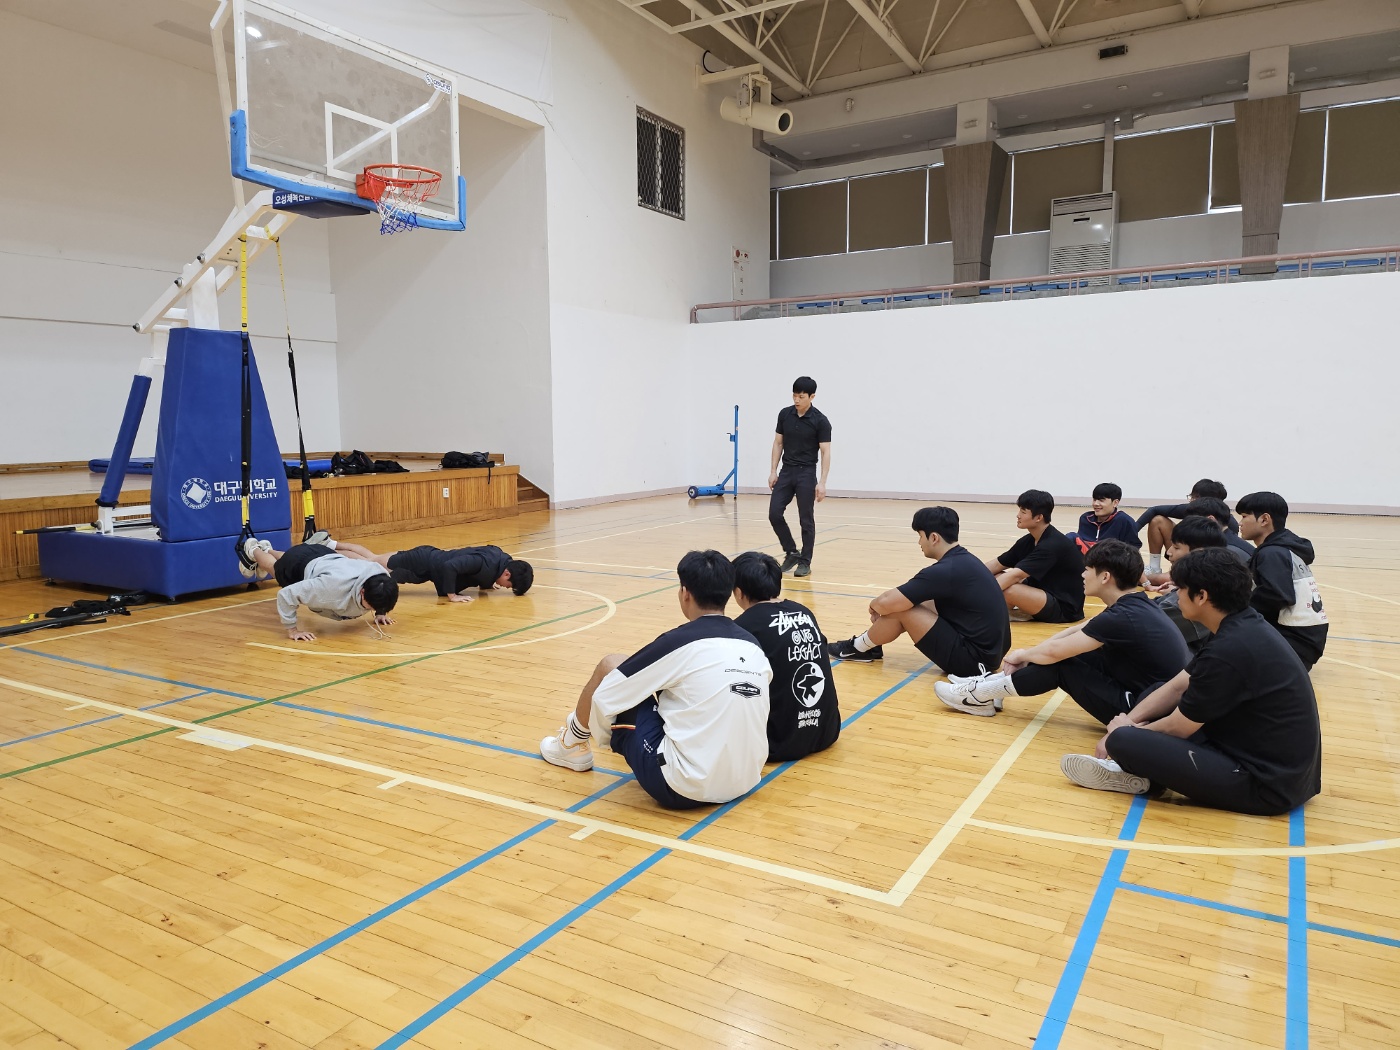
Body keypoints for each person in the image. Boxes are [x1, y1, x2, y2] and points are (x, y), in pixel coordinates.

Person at [1059, 548, 1322, 816]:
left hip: (1265, 785)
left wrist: (1123, 732)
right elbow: (1176, 685)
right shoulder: (1241, 624)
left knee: (1124, 740)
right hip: (1278, 768)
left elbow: (1178, 727)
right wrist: (1130, 719)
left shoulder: (1230, 650)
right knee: (1155, 697)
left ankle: (1135, 768)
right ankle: (1143, 773)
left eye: (1180, 589)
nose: (1176, 595)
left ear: (1202, 596)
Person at [539, 550, 770, 809]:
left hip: (681, 789)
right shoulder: (752, 644)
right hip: (745, 779)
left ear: (685, 593)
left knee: (610, 666)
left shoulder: (679, 641)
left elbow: (607, 695)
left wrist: (605, 735)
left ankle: (571, 743)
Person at [935, 540, 1188, 721]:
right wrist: (1029, 654)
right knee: (1069, 652)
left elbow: (1055, 653)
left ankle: (980, 696)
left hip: (1142, 710)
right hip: (1149, 697)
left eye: (1087, 569)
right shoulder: (1134, 603)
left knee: (1061, 665)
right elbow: (1076, 631)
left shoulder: (1123, 616)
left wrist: (1022, 654)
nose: (1082, 574)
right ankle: (994, 685)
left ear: (1105, 577)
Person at [829, 506, 1011, 677]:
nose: (919, 542)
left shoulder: (945, 570)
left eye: (920, 536)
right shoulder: (965, 560)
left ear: (934, 538)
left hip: (974, 663)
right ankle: (870, 644)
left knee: (902, 608)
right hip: (991, 655)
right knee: (914, 601)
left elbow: (886, 602)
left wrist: (873, 607)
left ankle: (858, 647)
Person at [730, 551, 840, 761]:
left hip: (778, 741)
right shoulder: (804, 612)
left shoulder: (744, 626)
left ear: (739, 592)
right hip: (825, 731)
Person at [1236, 491, 1328, 670]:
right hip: (1305, 641)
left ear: (1264, 519)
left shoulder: (1272, 553)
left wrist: (1234, 611)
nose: (1240, 523)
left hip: (1294, 645)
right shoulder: (1283, 548)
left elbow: (1277, 596)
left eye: (1245, 516)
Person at [242, 538, 398, 641]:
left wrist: (380, 612)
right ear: (362, 591)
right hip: (299, 567)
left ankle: (267, 549)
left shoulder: (382, 576)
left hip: (323, 555)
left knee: (288, 556)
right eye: (370, 606)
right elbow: (286, 594)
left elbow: (382, 592)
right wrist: (292, 629)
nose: (371, 609)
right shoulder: (331, 587)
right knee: (274, 568)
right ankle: (253, 550)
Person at [984, 490, 1084, 623]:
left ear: (1038, 518)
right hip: (1042, 592)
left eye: (1023, 512)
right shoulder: (1028, 540)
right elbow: (996, 564)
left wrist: (977, 595)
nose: (1018, 515)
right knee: (995, 576)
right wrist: (968, 579)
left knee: (1009, 589)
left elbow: (1016, 575)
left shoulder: (1052, 544)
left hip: (1064, 608)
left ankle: (989, 611)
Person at [768, 376, 831, 578]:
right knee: (774, 513)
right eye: (794, 395)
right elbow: (778, 443)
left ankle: (805, 561)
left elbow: (825, 452)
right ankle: (791, 552)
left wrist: (822, 482)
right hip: (787, 471)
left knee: (806, 519)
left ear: (812, 397)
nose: (796, 400)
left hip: (806, 473)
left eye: (801, 396)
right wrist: (773, 471)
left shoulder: (821, 421)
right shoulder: (785, 415)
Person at [328, 540, 533, 600]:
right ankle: (330, 546)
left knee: (374, 562)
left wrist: (487, 584)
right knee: (371, 562)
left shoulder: (499, 559)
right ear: (507, 573)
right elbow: (450, 566)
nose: (505, 587)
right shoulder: (484, 563)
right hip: (421, 560)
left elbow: (479, 573)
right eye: (508, 585)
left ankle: (331, 545)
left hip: (425, 566)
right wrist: (452, 595)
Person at [1150, 515, 1228, 653]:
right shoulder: (1215, 580)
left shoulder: (1190, 601)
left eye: (1176, 547)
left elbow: (1139, 630)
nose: (1169, 552)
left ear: (1199, 552)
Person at [1137, 479, 1239, 576]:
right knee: (1158, 520)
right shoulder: (1192, 509)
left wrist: (1143, 579)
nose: (1191, 500)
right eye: (1192, 497)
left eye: (1195, 497)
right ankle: (1154, 567)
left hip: (1204, 562)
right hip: (1186, 552)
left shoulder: (1229, 525)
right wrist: (1133, 531)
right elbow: (1154, 510)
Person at [1068, 483, 1140, 554]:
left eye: (1101, 500)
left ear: (1115, 503)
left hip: (1110, 558)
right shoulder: (1085, 518)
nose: (1096, 504)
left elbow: (1133, 548)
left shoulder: (1124, 520)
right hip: (1087, 557)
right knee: (1070, 538)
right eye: (1094, 500)